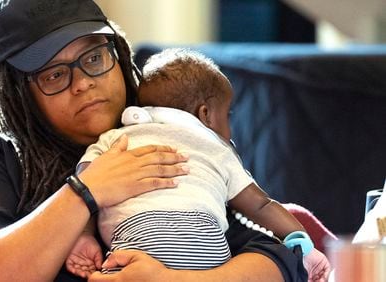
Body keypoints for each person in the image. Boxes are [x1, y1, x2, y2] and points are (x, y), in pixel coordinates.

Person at [0, 0, 308, 281]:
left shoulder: (168, 141)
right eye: (53, 75)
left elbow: (279, 262)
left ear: (119, 55)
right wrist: (87, 190)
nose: (83, 83)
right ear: (20, 95)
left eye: (93, 57)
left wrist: (172, 280)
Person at [67, 49, 330, 281]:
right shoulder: (216, 149)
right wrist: (302, 242)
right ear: (204, 114)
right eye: (227, 115)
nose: (230, 128)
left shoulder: (117, 138)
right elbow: (261, 205)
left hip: (135, 247)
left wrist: (84, 236)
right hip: (206, 251)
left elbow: (87, 190)